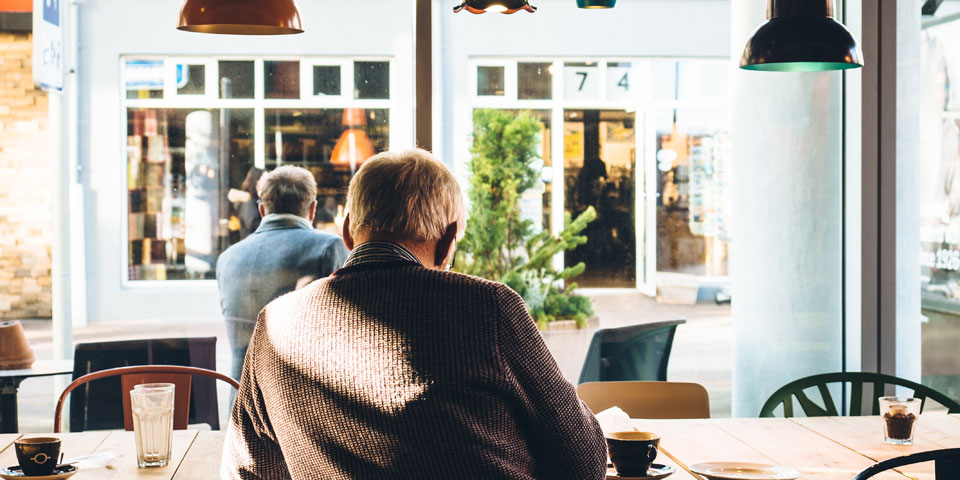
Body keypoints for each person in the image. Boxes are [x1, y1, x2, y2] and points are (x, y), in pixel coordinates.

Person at [222, 149, 607, 480]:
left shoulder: (274, 325)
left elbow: (250, 469)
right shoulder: (488, 308)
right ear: (447, 241)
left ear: (347, 233)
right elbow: (584, 463)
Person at [216, 165, 348, 382]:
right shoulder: (328, 248)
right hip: (299, 402)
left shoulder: (227, 258)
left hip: (240, 402)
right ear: (313, 209)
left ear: (262, 210)